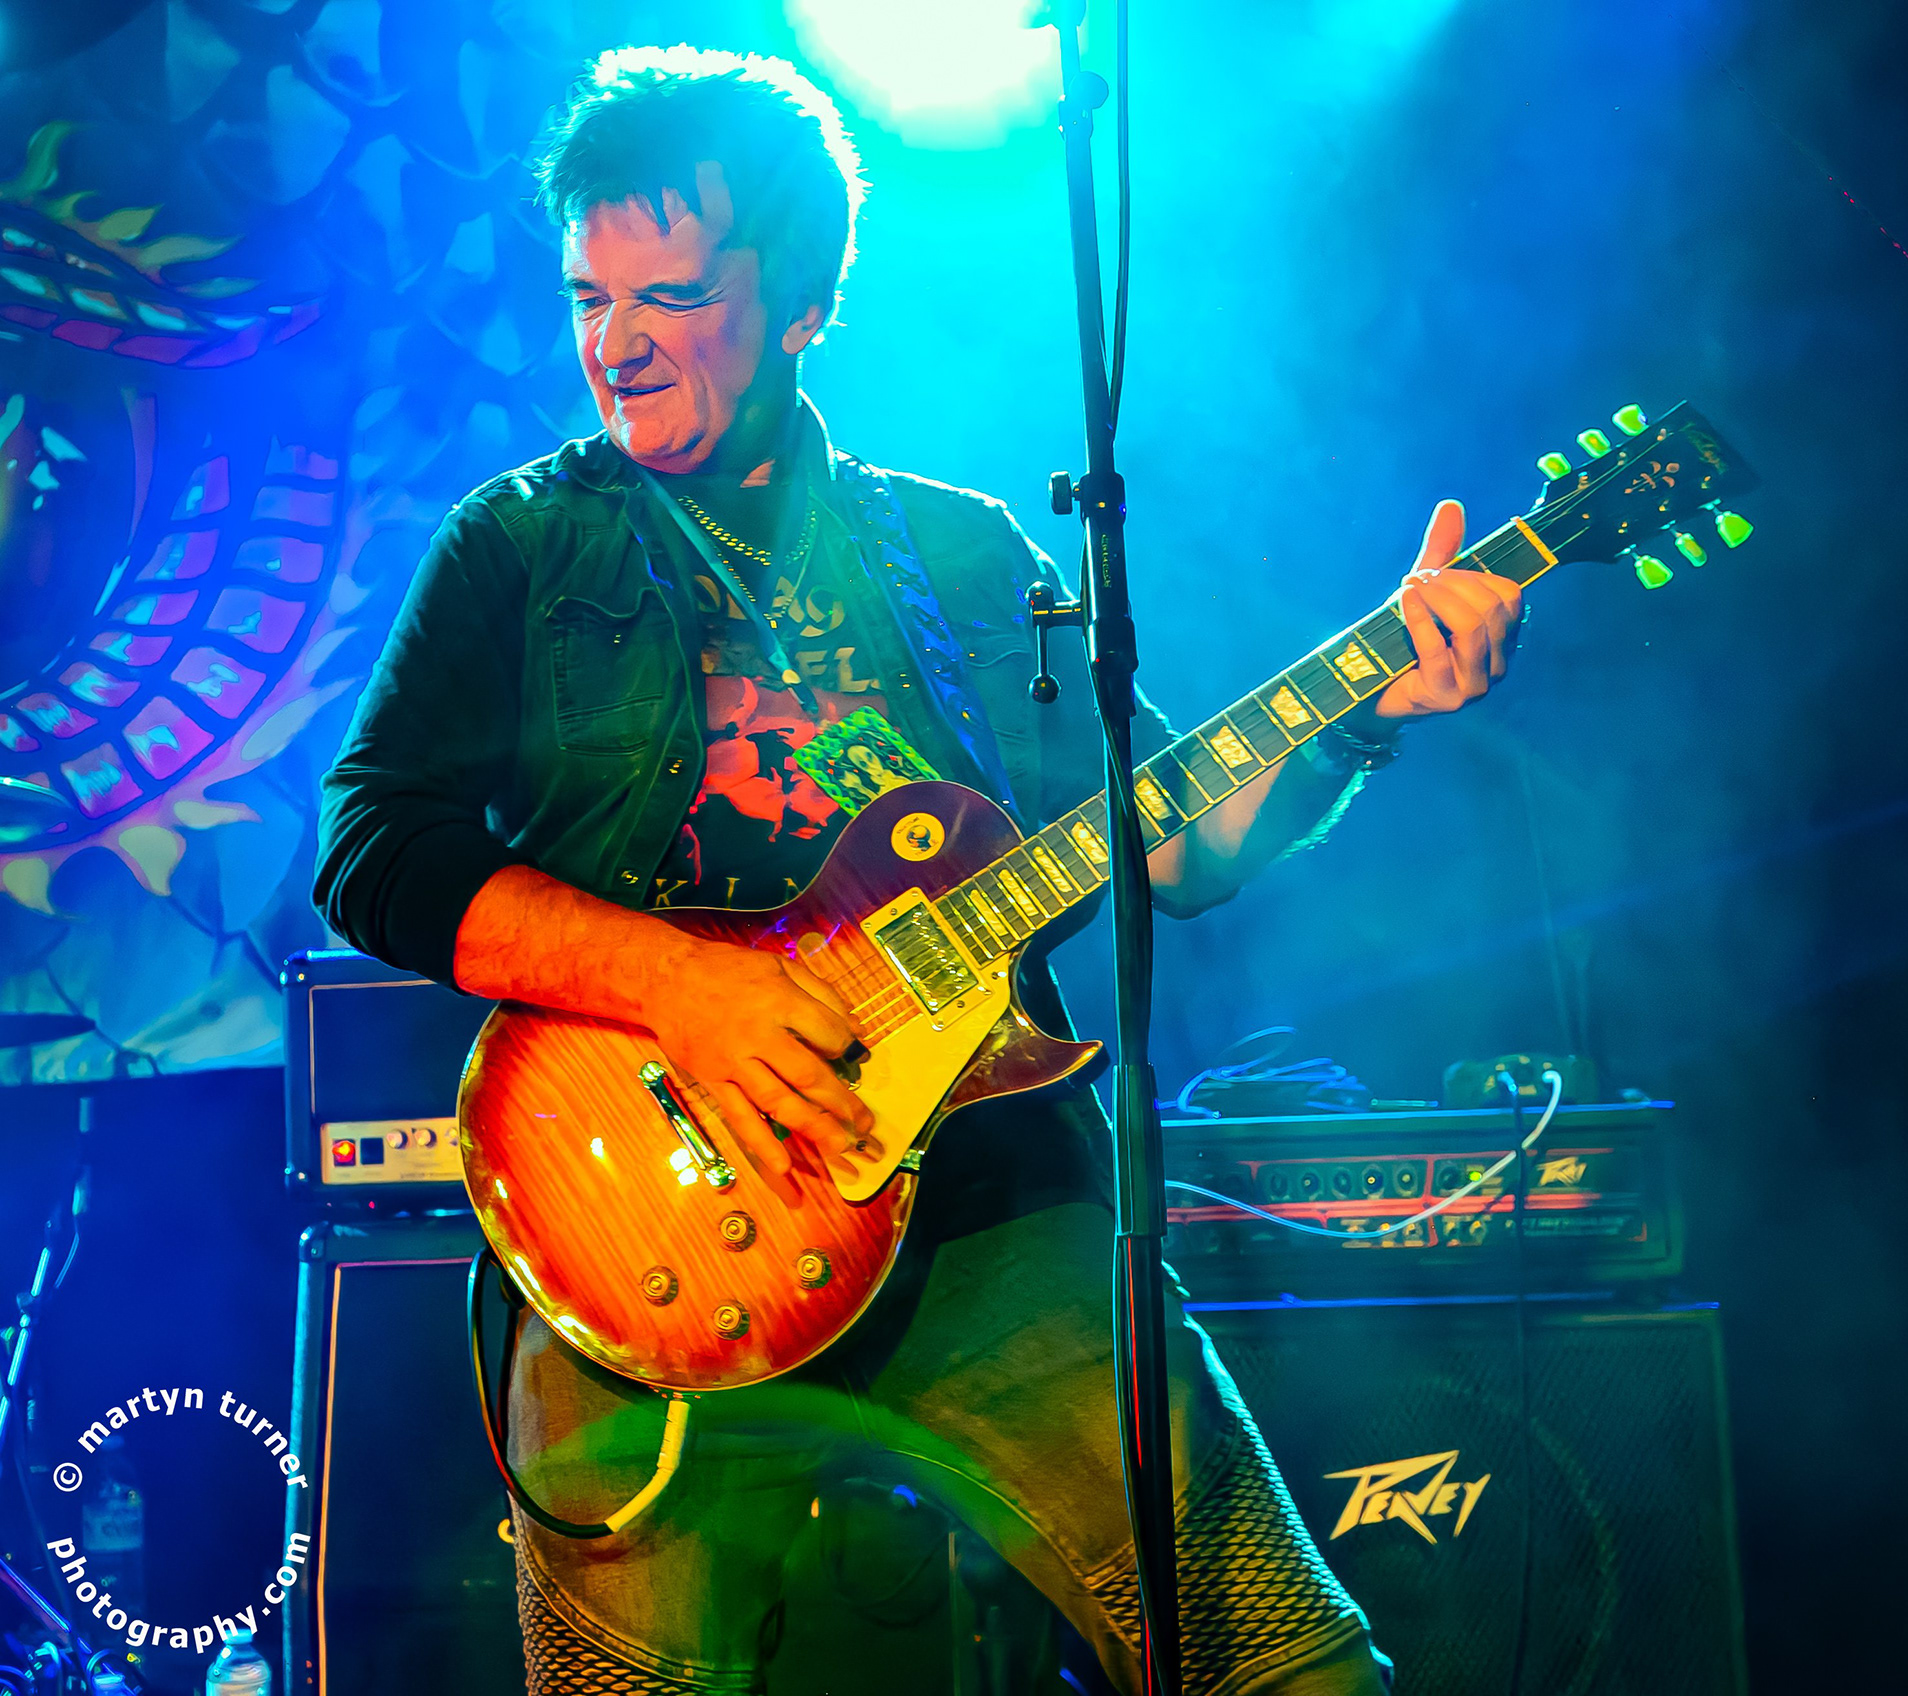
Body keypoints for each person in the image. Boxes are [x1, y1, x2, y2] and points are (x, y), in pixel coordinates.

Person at [314, 44, 1521, 1696]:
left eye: (671, 295)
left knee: (1286, 1670)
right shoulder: (519, 546)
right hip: (646, 1227)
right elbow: (375, 848)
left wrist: (1364, 705)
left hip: (988, 1217)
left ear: (803, 303)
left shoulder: (960, 552)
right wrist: (691, 990)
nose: (615, 343)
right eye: (591, 297)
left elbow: (1175, 846)